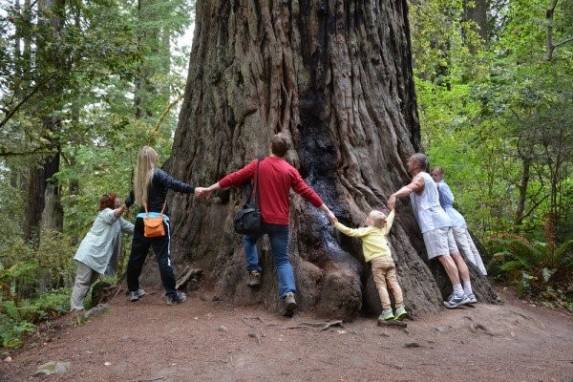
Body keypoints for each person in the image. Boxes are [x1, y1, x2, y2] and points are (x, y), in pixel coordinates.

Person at [195, 133, 336, 316]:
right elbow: (307, 192)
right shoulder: (290, 170)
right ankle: (288, 294)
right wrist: (328, 210)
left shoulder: (258, 164)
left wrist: (209, 188)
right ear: (286, 152)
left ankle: (254, 271)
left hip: (259, 220)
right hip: (280, 223)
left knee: (249, 240)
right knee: (282, 260)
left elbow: (234, 177)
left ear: (270, 146)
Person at [388, 153, 477, 308]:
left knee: (444, 256)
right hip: (443, 220)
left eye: (410, 161)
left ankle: (458, 293)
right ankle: (468, 292)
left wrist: (395, 195)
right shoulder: (428, 178)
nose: (407, 163)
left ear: (416, 164)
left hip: (433, 223)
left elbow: (411, 187)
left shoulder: (421, 176)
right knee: (455, 255)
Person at [125, 146, 195, 305]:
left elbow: (130, 197)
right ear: (152, 159)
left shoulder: (139, 179)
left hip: (142, 220)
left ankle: (133, 290)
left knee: (136, 256)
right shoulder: (157, 174)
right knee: (164, 258)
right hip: (159, 222)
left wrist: (124, 207)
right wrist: (194, 190)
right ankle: (172, 295)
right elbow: (174, 184)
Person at [329, 209, 408, 322]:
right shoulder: (382, 230)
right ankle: (400, 308)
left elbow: (351, 232)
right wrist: (393, 212)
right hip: (389, 260)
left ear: (370, 222)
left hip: (377, 262)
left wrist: (336, 224)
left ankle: (387, 311)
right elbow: (388, 222)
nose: (366, 219)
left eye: (368, 218)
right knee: (394, 284)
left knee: (382, 286)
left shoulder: (367, 230)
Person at [70, 193, 134, 312]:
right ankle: (75, 309)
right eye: (117, 198)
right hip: (88, 253)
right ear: (111, 202)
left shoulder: (119, 220)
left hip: (96, 257)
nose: (119, 199)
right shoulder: (105, 213)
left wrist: (150, 225)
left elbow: (133, 229)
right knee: (82, 281)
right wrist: (126, 205)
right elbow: (112, 215)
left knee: (88, 282)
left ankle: (78, 307)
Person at [431, 167, 487, 276]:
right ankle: (482, 271)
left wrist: (437, 186)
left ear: (441, 175)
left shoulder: (441, 186)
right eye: (432, 175)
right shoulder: (440, 185)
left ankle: (477, 272)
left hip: (453, 220)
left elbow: (450, 199)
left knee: (466, 248)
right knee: (471, 247)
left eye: (436, 175)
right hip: (458, 218)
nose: (433, 177)